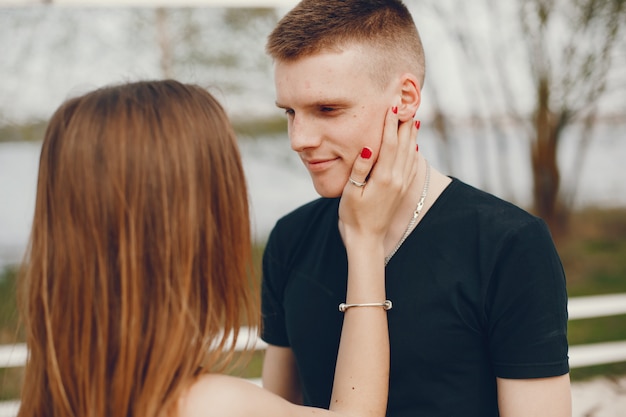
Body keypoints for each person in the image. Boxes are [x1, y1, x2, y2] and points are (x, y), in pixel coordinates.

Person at [16, 79, 419, 417]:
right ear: (195, 226)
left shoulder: (52, 397)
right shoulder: (205, 404)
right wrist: (364, 240)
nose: (299, 140)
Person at [260, 1, 572, 416]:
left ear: (405, 99)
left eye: (327, 109)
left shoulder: (508, 244)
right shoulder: (289, 238)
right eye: (290, 112)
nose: (299, 138)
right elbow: (276, 407)